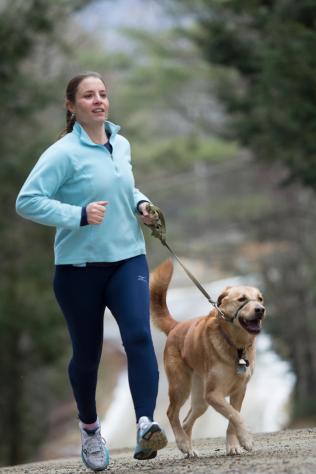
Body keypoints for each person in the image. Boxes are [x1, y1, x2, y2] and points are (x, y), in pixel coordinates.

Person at [16, 72, 167, 472]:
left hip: (128, 258)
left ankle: (145, 424)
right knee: (88, 355)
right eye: (88, 95)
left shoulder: (122, 144)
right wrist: (77, 215)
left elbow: (124, 187)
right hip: (78, 269)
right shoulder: (62, 153)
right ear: (72, 106)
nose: (98, 101)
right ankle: (89, 430)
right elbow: (27, 201)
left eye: (102, 94)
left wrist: (142, 204)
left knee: (138, 336)